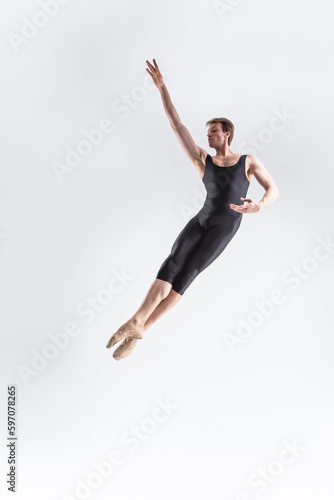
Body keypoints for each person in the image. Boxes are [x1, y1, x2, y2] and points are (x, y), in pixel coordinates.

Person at [106, 58, 279, 361]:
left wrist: (259, 205)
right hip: (201, 219)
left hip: (225, 226)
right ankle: (136, 322)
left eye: (214, 130)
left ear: (227, 134)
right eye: (208, 131)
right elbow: (177, 125)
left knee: (187, 273)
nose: (209, 134)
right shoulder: (203, 160)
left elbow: (273, 189)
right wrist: (162, 88)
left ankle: (141, 327)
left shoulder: (248, 161)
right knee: (171, 263)